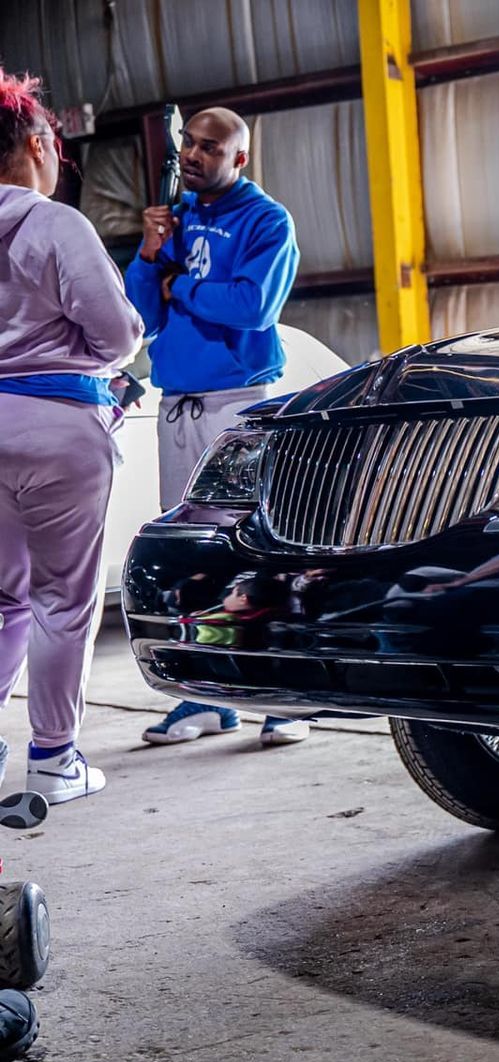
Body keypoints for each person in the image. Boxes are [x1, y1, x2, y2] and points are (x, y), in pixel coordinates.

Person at [124, 106, 308, 748]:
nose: (195, 155)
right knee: (189, 556)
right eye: (189, 144)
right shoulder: (172, 221)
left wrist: (184, 286)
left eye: (210, 146)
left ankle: (286, 697)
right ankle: (205, 698)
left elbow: (254, 307)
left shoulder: (266, 220)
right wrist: (151, 258)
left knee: (257, 546)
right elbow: (140, 318)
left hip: (239, 400)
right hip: (179, 402)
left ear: (240, 157)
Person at [0, 67, 145, 805]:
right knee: (63, 599)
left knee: (1, 600)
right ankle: (54, 760)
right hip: (58, 429)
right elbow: (118, 334)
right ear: (35, 143)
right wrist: (84, 359)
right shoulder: (55, 224)